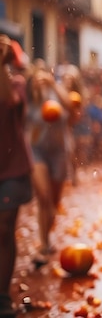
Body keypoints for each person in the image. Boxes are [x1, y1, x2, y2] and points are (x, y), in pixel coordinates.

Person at [25, 63, 73, 267]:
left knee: (53, 202)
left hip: (59, 153)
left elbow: (71, 107)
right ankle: (43, 245)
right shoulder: (28, 100)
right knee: (43, 197)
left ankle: (46, 238)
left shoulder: (57, 95)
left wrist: (54, 84)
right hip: (36, 151)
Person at [0, 35, 32, 318]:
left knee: (5, 227)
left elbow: (8, 100)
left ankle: (2, 295)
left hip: (12, 167)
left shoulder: (17, 84)